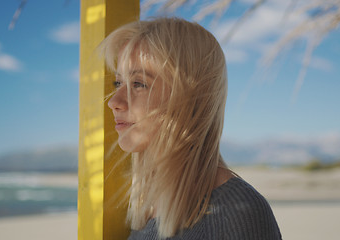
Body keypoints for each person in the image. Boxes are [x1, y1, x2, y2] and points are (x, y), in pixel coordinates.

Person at [99, 17, 282, 240]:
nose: (114, 101)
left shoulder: (235, 210)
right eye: (119, 83)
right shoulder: (149, 205)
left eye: (138, 83)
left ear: (190, 96)